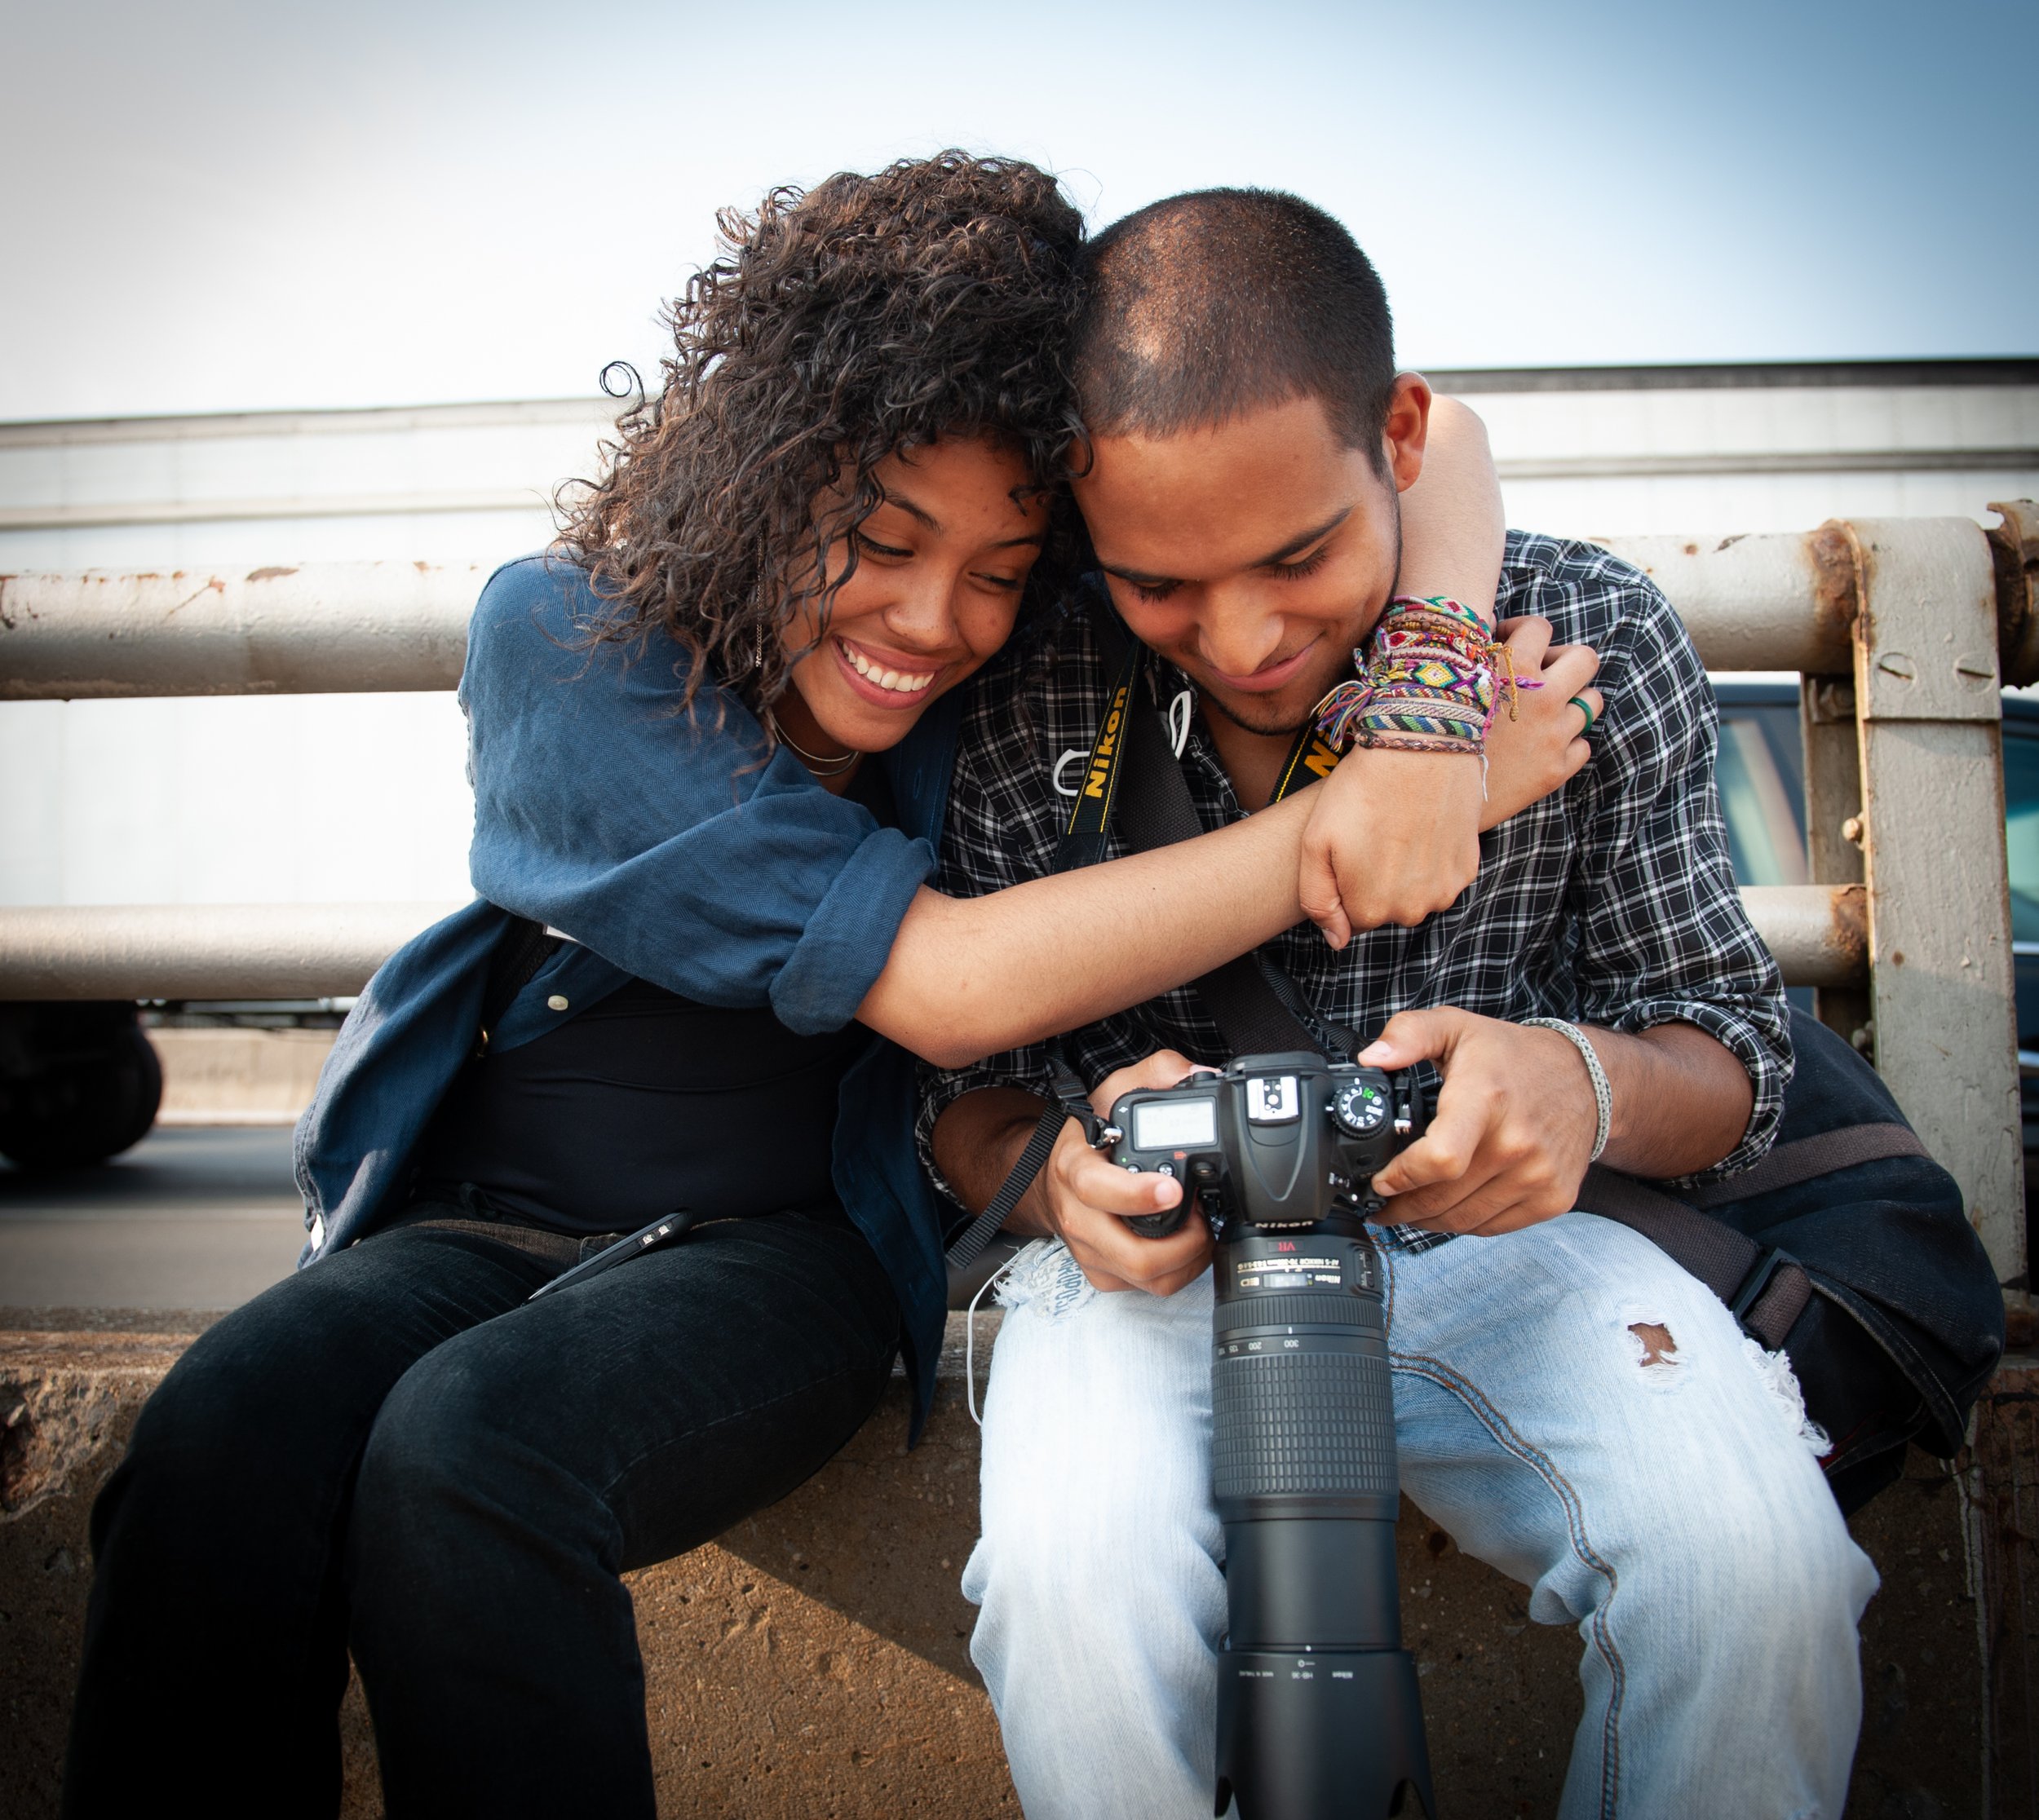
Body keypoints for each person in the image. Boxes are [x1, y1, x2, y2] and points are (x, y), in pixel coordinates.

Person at [60, 156, 1577, 1820]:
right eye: (874, 539)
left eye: (1002, 568)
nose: (933, 622)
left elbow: (1444, 446)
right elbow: (943, 986)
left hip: (794, 1247)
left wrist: (1424, 699)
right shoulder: (572, 643)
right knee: (220, 1438)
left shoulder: (1012, 641)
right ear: (762, 470)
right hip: (478, 1213)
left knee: (469, 1453)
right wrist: (1359, 819)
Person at [926, 189, 1877, 1820]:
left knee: (1755, 1570)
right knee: (1070, 1584)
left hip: (1513, 1246)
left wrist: (1570, 1085)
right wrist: (1061, 1170)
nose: (1242, 639)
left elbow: (1723, 1050)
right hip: (1161, 1277)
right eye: (1159, 585)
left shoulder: (1570, 639)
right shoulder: (1030, 689)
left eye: (1299, 554)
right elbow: (954, 1092)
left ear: (1403, 435)